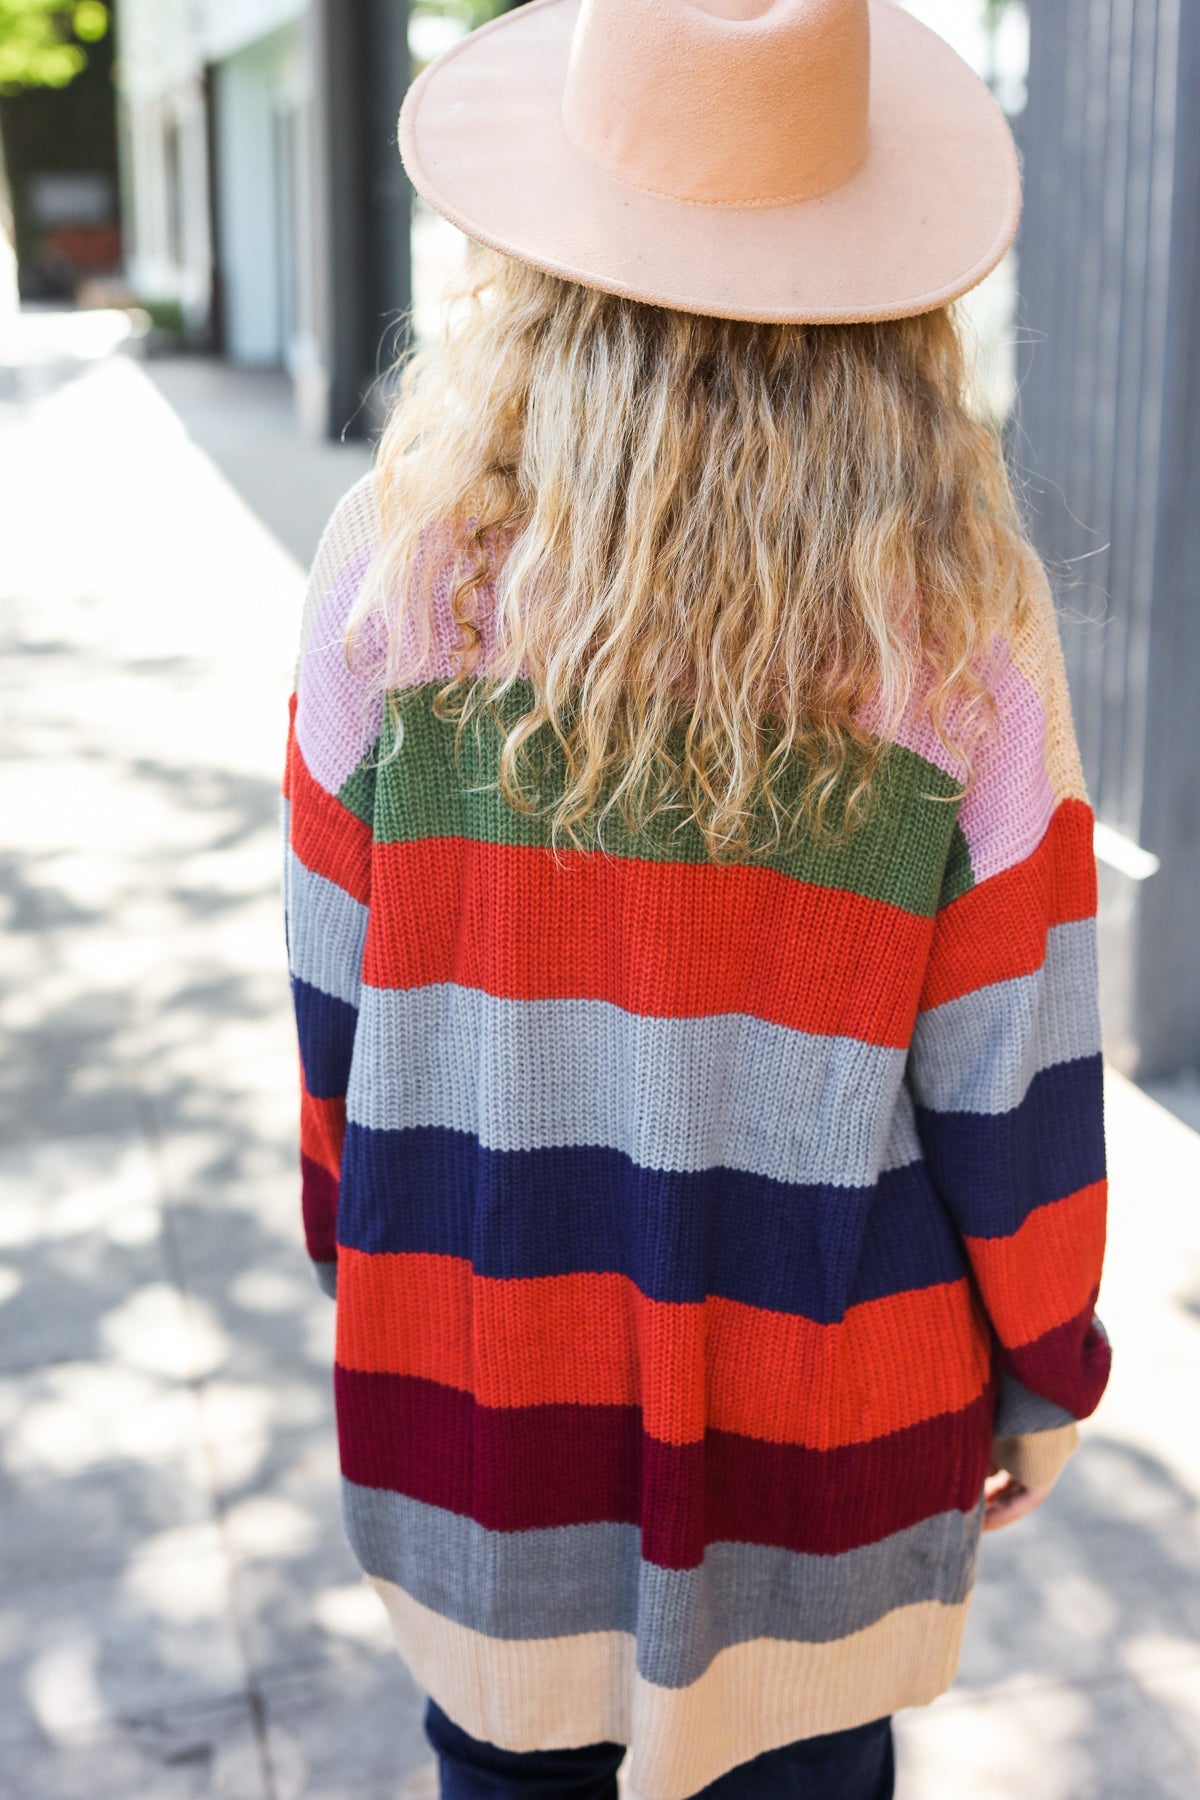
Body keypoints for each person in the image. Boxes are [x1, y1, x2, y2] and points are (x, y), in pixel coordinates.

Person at [281, 2, 1111, 1795]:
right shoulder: (960, 628)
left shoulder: (394, 573)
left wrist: (361, 1261)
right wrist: (1047, 1376)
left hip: (483, 1406)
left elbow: (332, 1010)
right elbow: (1015, 1075)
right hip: (815, 1468)